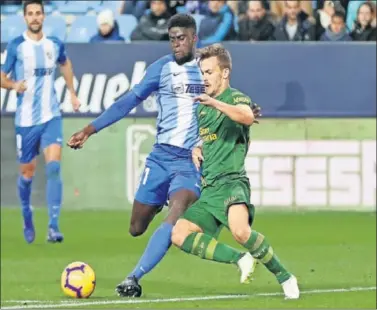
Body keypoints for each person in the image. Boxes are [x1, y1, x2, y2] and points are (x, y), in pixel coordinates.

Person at [67, 14, 204, 298]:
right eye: (172, 39)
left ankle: (134, 277)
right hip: (160, 158)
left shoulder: (207, 69)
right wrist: (90, 129)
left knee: (175, 217)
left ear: (194, 38)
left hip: (189, 164)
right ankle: (157, 204)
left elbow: (229, 98)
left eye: (182, 38)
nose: (177, 44)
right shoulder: (161, 69)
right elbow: (128, 101)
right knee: (136, 227)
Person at [171, 44, 300, 300]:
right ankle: (240, 259)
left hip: (232, 182)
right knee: (179, 233)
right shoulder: (203, 108)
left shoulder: (236, 98)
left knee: (240, 231)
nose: (204, 78)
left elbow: (246, 116)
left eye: (209, 72)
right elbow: (209, 139)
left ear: (225, 73)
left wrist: (216, 103)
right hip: (210, 189)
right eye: (202, 73)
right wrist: (197, 149)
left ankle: (286, 277)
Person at [0, 0, 80, 244]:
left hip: (51, 116)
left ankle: (53, 227)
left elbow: (65, 64)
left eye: (38, 13)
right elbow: (2, 76)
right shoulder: (17, 46)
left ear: (44, 17)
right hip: (26, 121)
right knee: (27, 173)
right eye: (30, 14)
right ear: (25, 18)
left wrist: (72, 92)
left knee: (54, 167)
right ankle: (27, 213)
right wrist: (14, 85)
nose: (35, 17)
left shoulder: (54, 44)